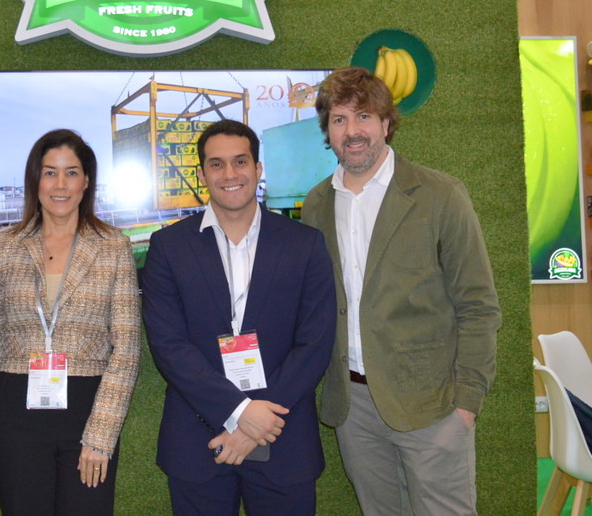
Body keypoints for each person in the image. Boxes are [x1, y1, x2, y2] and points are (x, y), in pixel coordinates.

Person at [302, 67, 501, 516]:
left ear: (387, 123)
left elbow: (479, 306)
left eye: (364, 116)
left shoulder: (440, 194)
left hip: (432, 403)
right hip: (353, 406)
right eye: (339, 119)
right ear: (327, 130)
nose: (352, 131)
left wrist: (467, 403)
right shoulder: (316, 204)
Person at [143, 119, 336, 515]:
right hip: (198, 438)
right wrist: (240, 413)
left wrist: (258, 422)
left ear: (258, 168)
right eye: (216, 164)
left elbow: (315, 341)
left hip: (283, 437)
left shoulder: (304, 243)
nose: (230, 174)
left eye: (240, 161)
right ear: (202, 175)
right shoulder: (168, 247)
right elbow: (169, 345)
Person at [0, 129, 141, 515]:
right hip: (16, 410)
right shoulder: (5, 246)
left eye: (71, 173)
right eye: (49, 172)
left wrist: (101, 435)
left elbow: (127, 348)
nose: (60, 185)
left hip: (89, 409)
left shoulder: (113, 246)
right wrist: (25, 358)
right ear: (34, 180)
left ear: (86, 181)